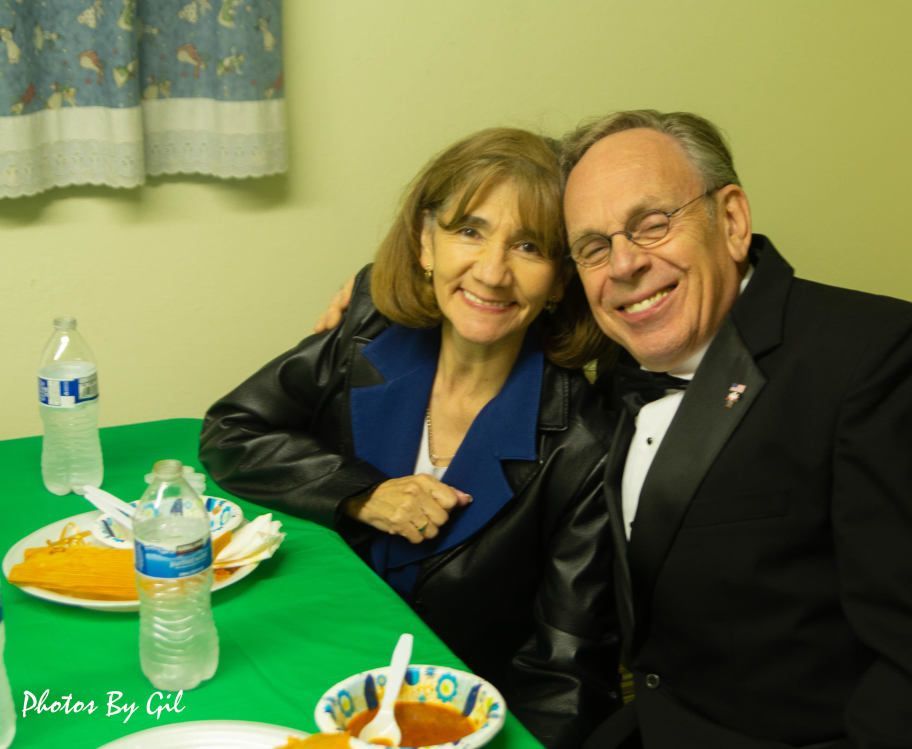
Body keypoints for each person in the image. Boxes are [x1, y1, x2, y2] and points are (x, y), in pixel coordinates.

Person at [557, 110, 912, 749]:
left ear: (730, 220)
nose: (623, 265)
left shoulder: (880, 359)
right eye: (594, 247)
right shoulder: (617, 369)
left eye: (652, 225)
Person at [198, 128, 619, 749]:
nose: (492, 272)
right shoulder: (368, 327)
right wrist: (358, 494)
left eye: (529, 246)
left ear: (561, 280)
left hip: (450, 723)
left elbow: (566, 673)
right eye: (469, 231)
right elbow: (231, 431)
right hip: (304, 661)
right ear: (426, 241)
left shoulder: (585, 440)